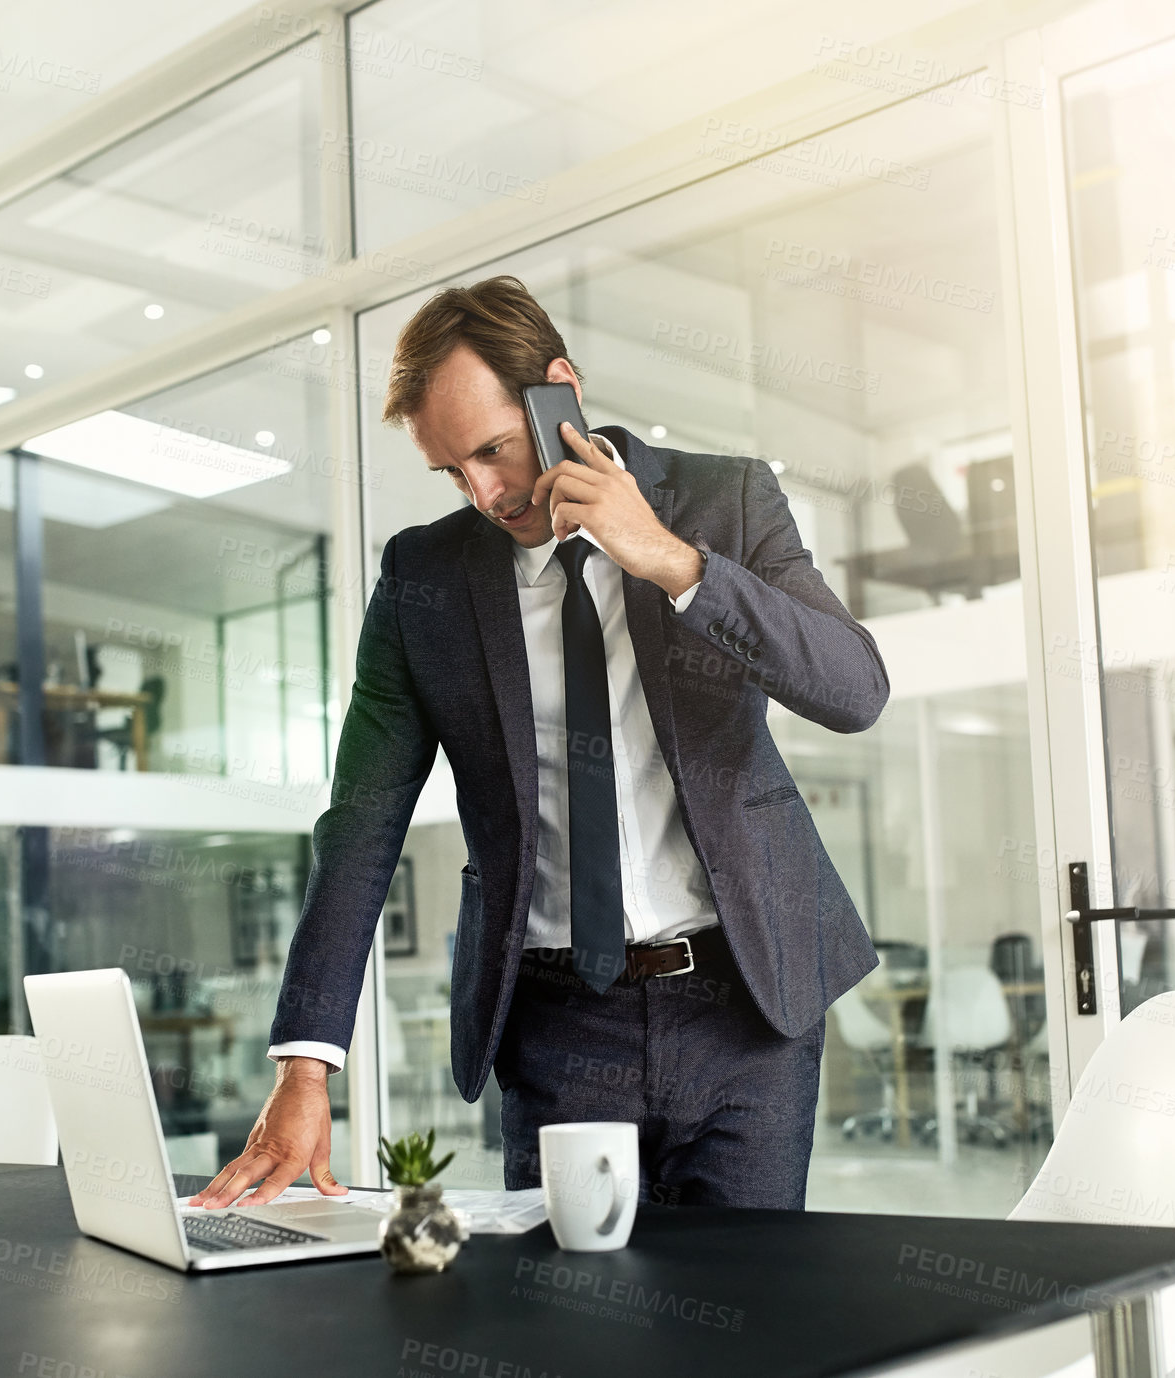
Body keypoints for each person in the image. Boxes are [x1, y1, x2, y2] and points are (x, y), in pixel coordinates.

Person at [193, 275, 888, 1213]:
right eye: (450, 470)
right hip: (562, 1029)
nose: (482, 493)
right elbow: (360, 823)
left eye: (492, 450)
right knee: (579, 1331)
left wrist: (672, 562)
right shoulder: (422, 580)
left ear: (559, 386)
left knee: (750, 1324)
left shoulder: (723, 501)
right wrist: (306, 1066)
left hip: (746, 1010)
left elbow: (853, 690)